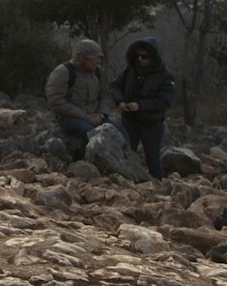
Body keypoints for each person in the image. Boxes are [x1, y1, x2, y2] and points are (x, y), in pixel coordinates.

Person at [108, 37, 175, 181]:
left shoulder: (165, 76)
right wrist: (120, 101)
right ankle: (129, 184)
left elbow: (165, 101)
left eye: (144, 56)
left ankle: (158, 188)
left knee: (152, 158)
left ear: (154, 57)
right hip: (129, 121)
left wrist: (140, 106)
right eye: (138, 55)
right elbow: (114, 86)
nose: (140, 59)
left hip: (152, 124)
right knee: (127, 154)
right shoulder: (130, 70)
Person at [44, 39, 112, 160]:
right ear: (83, 59)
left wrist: (100, 114)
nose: (98, 61)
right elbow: (56, 101)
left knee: (120, 131)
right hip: (69, 117)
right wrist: (85, 116)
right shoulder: (63, 72)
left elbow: (105, 95)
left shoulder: (97, 73)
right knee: (90, 133)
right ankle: (86, 164)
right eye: (95, 58)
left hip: (94, 116)